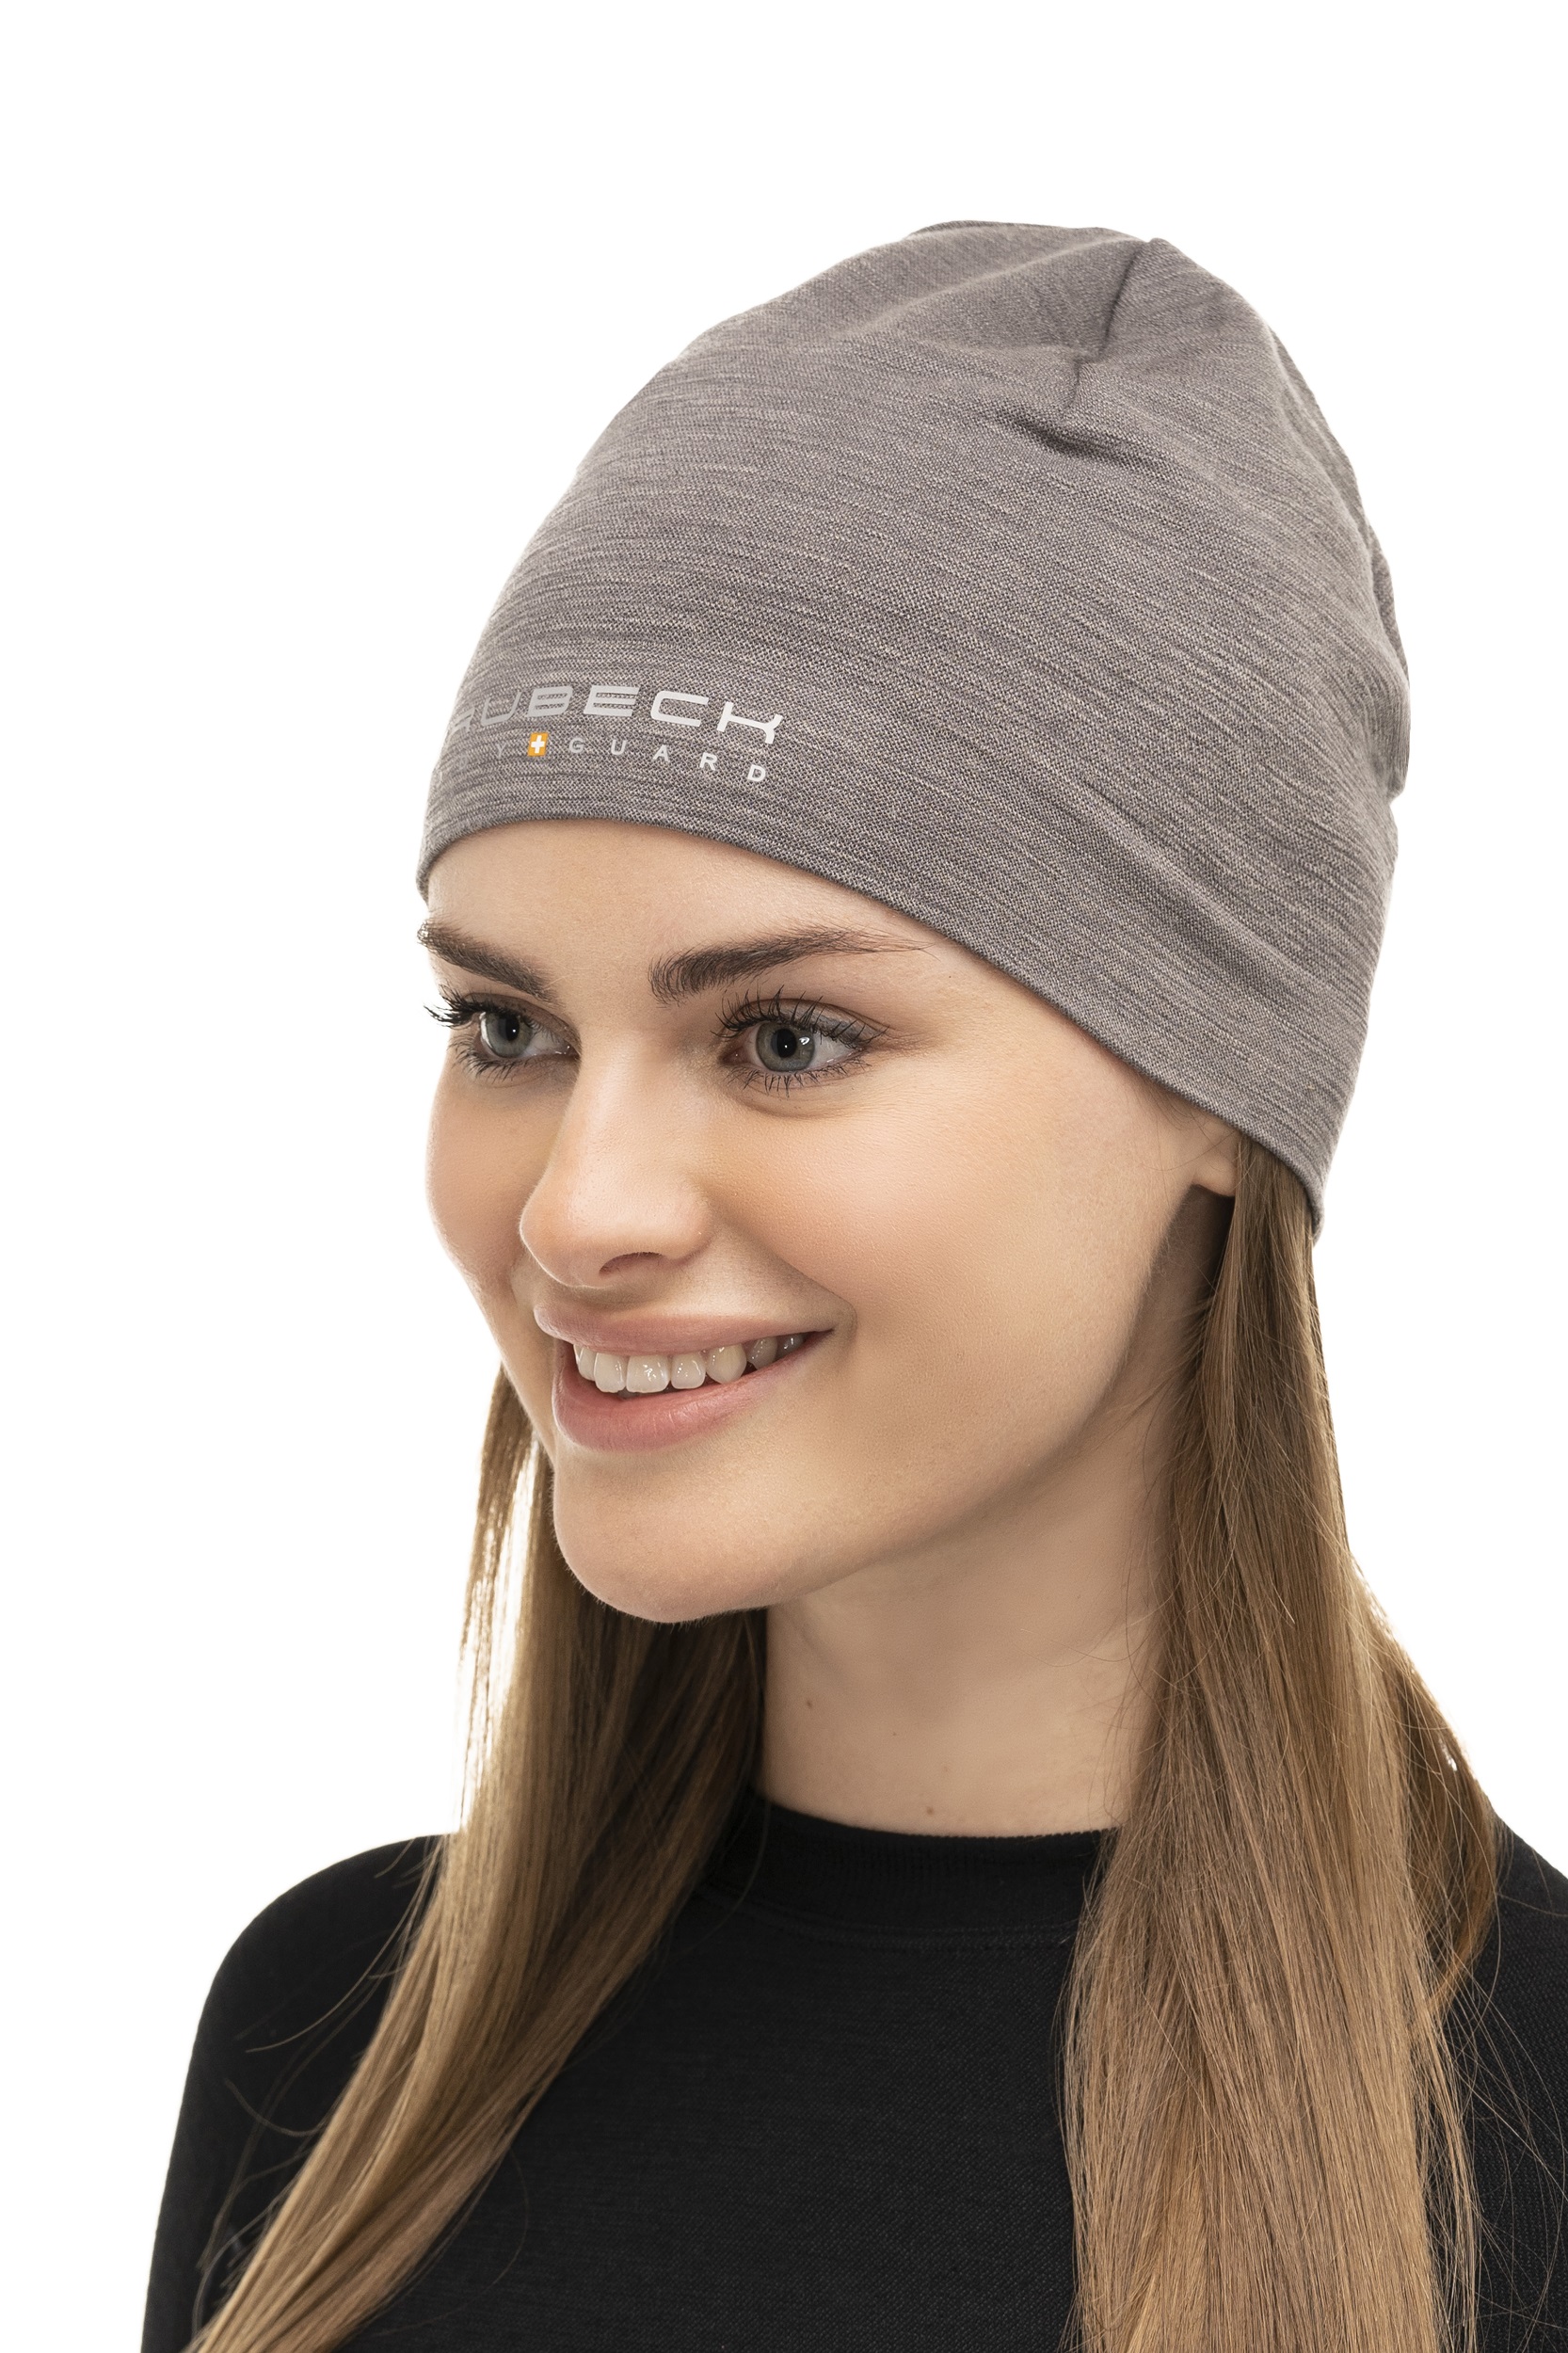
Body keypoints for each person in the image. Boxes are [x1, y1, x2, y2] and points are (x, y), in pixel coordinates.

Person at [142, 224, 1568, 2353]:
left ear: (1219, 1082)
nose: (577, 1212)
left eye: (785, 1037)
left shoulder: (1522, 2132)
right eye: (505, 1027)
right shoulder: (334, 2043)